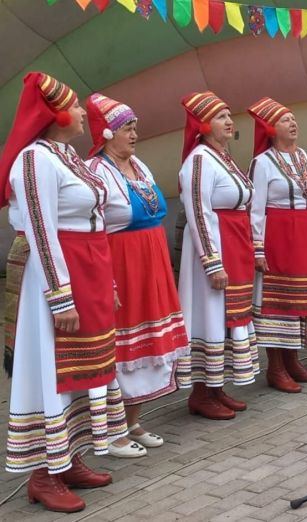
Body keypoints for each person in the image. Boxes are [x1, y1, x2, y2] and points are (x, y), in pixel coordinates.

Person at [0, 72, 127, 513]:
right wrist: (61, 295)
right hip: (56, 275)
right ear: (54, 113)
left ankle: (68, 457)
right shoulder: (34, 159)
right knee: (52, 369)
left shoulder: (67, 156)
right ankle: (42, 475)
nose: (80, 114)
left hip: (88, 266)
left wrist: (106, 282)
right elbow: (40, 228)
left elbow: (97, 220)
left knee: (83, 366)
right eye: (75, 107)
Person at [85, 94, 189, 457]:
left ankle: (132, 422)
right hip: (121, 263)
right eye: (127, 128)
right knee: (123, 346)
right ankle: (112, 432)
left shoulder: (139, 165)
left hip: (151, 260)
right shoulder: (95, 172)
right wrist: (106, 281)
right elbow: (93, 231)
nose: (134, 134)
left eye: (134, 128)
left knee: (149, 339)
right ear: (107, 133)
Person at [247, 97, 307, 391]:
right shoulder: (262, 163)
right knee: (280, 301)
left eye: (294, 119)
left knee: (303, 300)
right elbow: (256, 208)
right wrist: (258, 247)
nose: (293, 123)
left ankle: (293, 360)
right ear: (271, 129)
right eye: (285, 120)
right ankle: (275, 367)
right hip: (280, 235)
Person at [177, 91, 259, 419]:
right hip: (213, 246)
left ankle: (216, 386)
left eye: (229, 115)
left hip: (234, 242)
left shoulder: (222, 157)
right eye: (221, 116)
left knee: (227, 317)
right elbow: (198, 210)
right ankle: (201, 393)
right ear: (203, 124)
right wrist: (212, 261)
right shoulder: (198, 159)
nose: (229, 121)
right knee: (210, 315)